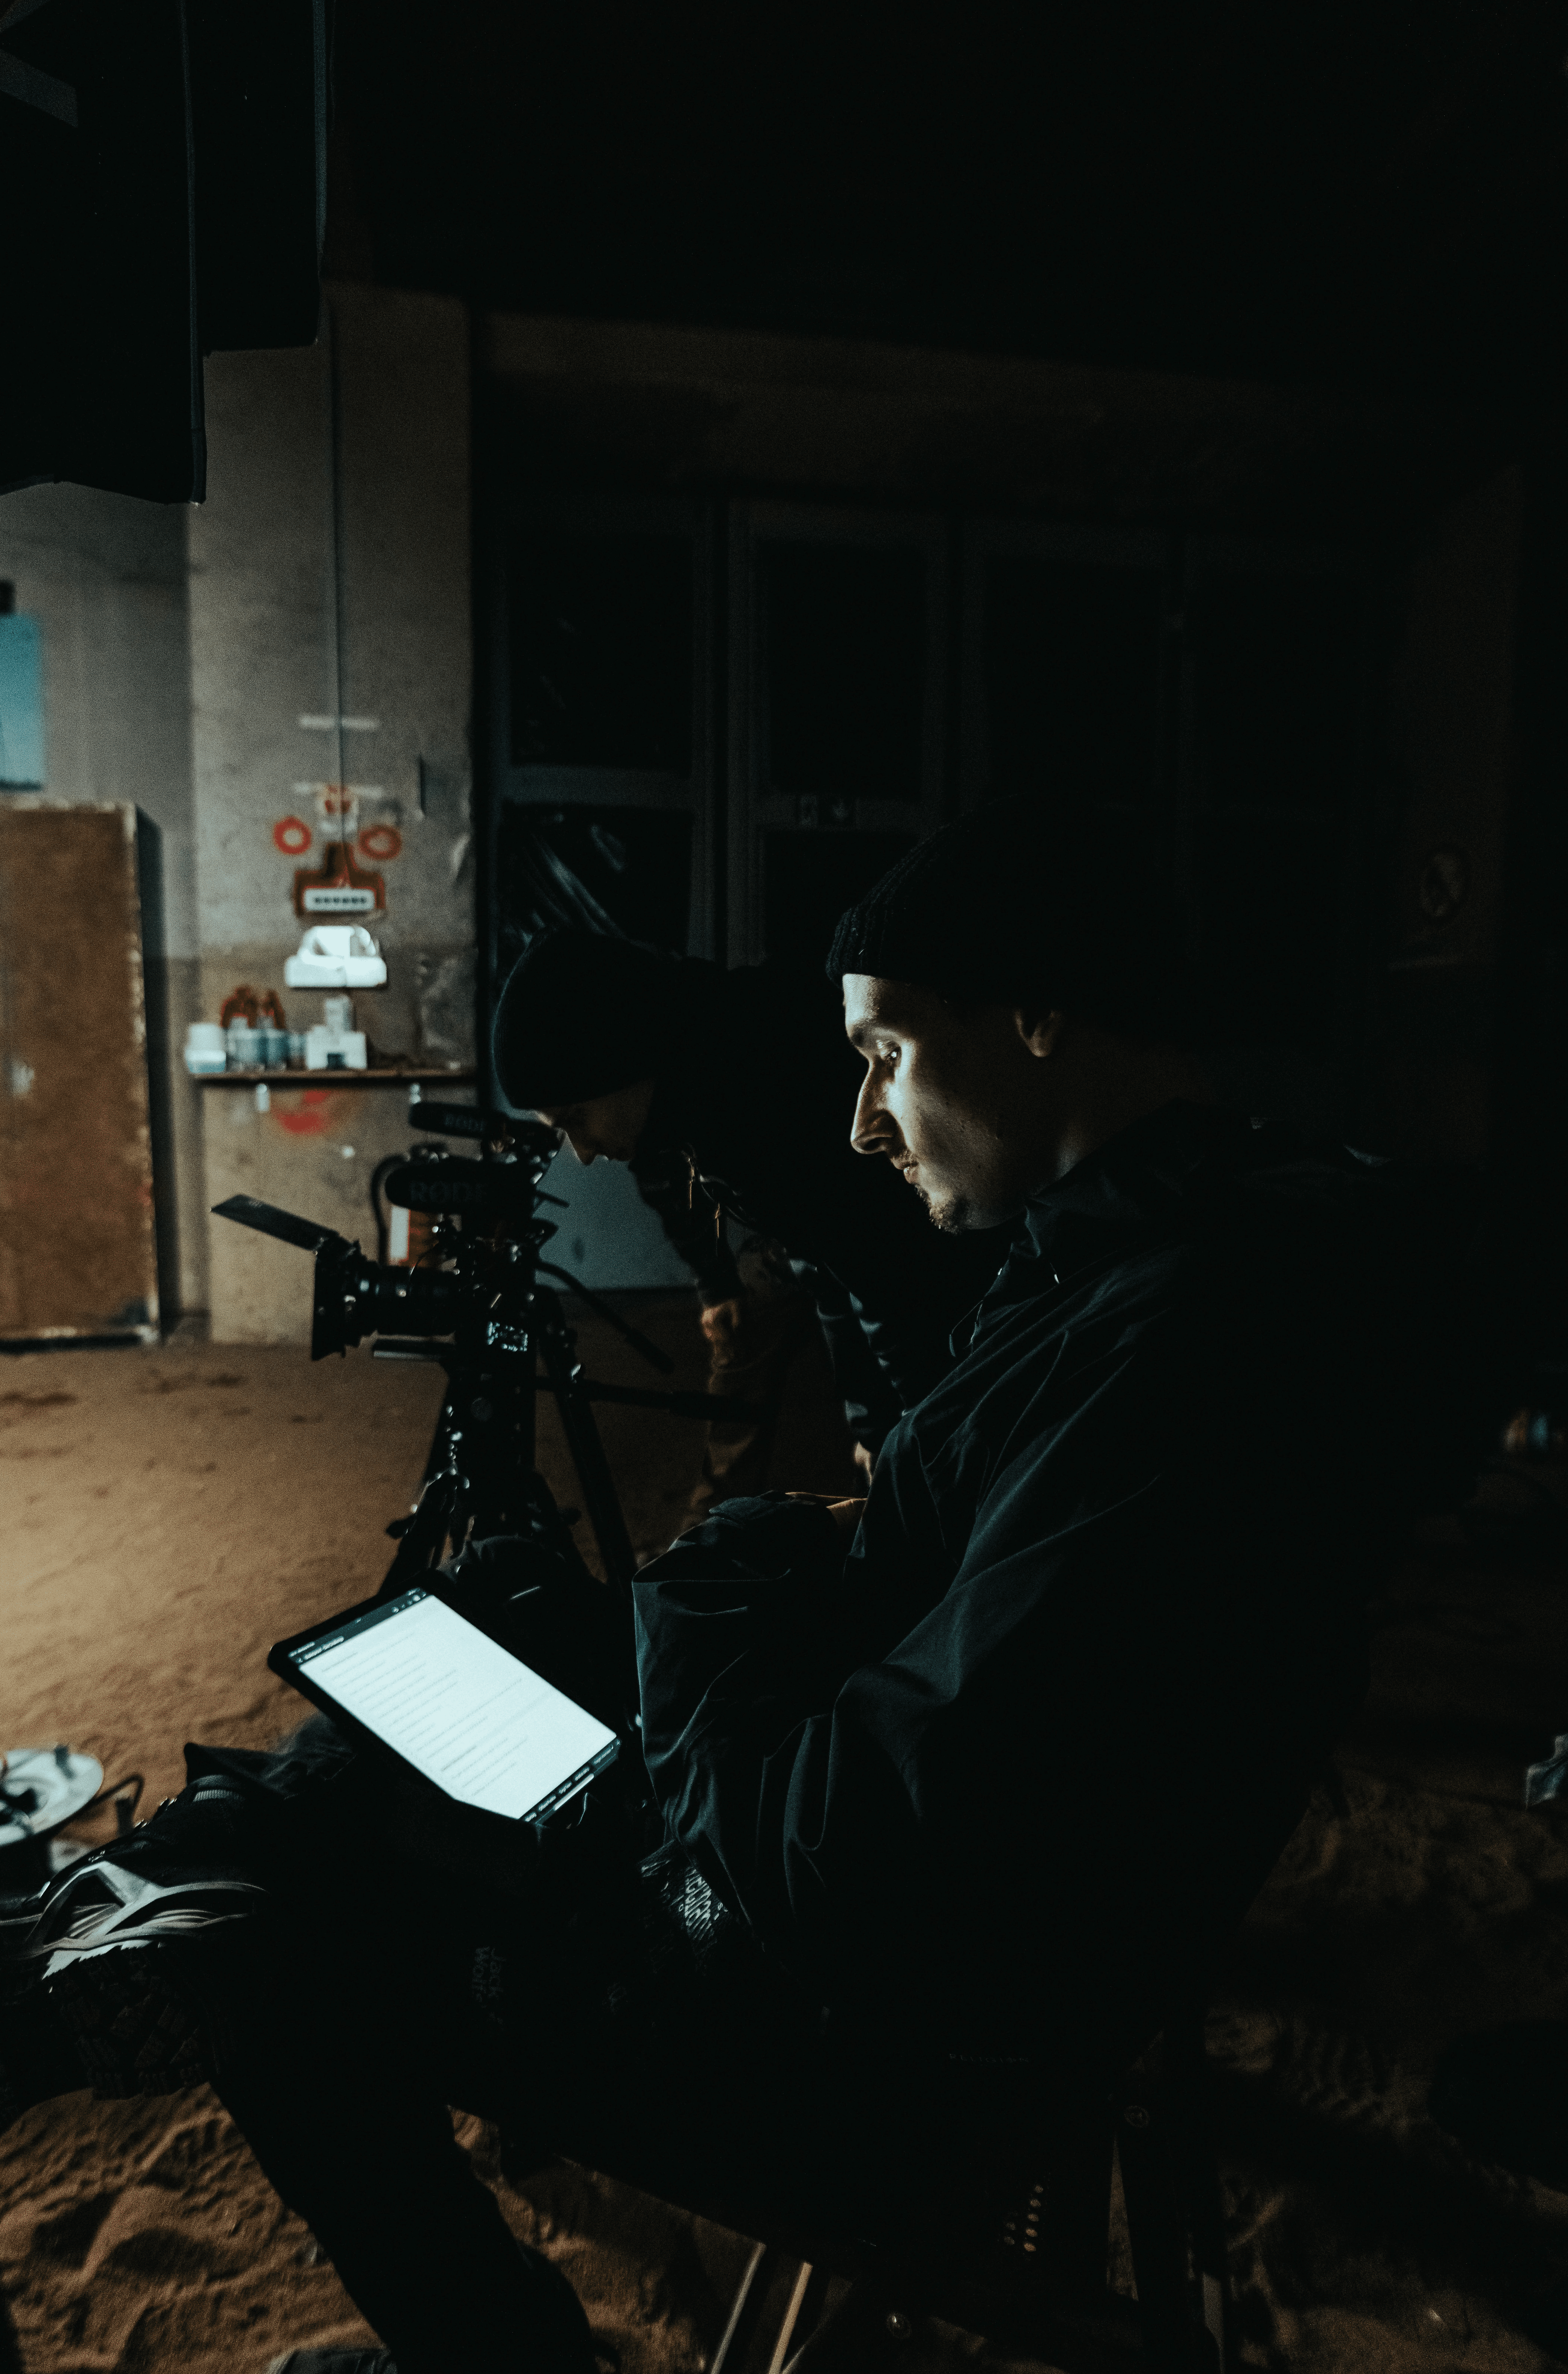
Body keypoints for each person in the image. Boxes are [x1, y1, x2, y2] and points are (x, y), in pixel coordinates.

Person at [0, 805, 1493, 2374]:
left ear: (1039, 1017)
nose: (860, 1123)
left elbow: (859, 1858)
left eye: (886, 1057)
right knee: (437, 1694)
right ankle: (184, 1872)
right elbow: (942, 1616)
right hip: (881, 1897)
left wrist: (712, 1601)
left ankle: (289, 2059)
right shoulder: (1151, 1260)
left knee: (286, 1950)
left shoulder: (1187, 1350)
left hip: (864, 2046)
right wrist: (750, 1587)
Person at [490, 928, 1008, 1512]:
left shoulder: (761, 1087)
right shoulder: (697, 1084)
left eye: (576, 1117)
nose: (580, 1152)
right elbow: (827, 1264)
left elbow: (889, 1278)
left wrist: (917, 1435)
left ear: (625, 1056)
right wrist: (876, 1424)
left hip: (983, 1271)